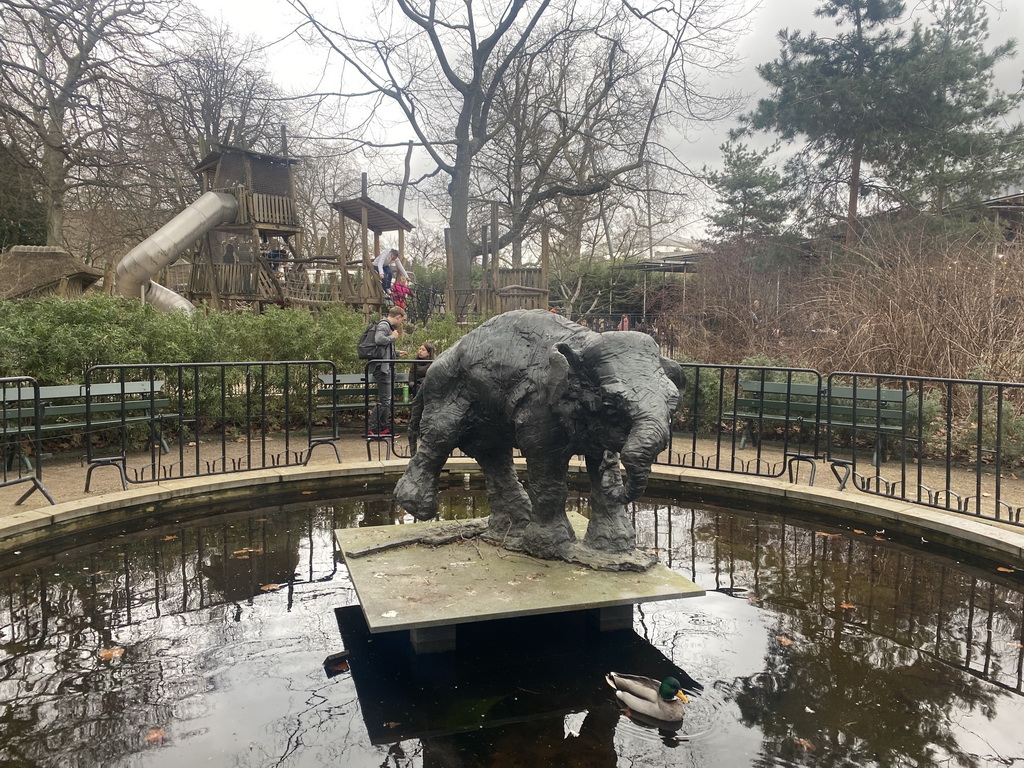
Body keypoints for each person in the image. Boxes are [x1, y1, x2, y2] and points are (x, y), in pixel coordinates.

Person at [368, 305, 407, 436]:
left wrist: (396, 352)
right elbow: (379, 340)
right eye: (402, 320)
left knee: (387, 399)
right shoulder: (384, 326)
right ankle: (371, 427)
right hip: (383, 368)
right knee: (385, 399)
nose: (401, 323)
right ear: (398, 317)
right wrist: (393, 337)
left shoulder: (386, 326)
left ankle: (385, 428)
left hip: (386, 366)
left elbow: (383, 349)